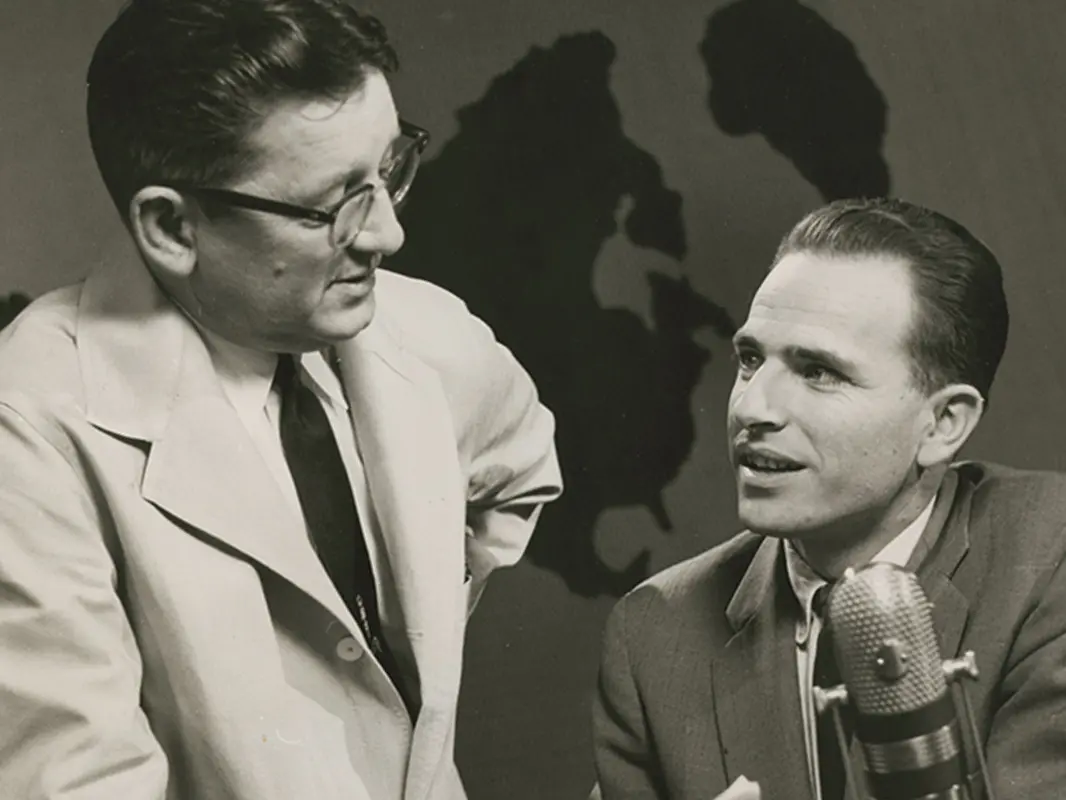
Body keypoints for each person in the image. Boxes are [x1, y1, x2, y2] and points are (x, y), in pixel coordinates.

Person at [0, 1, 561, 798]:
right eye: (333, 207)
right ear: (170, 227)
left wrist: (403, 618)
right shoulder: (26, 428)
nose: (387, 236)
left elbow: (520, 461)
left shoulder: (423, 330)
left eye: (390, 170)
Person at [592, 197, 1066, 799]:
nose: (751, 409)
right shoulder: (655, 632)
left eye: (818, 371)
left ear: (944, 422)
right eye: (750, 359)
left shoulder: (1052, 561)